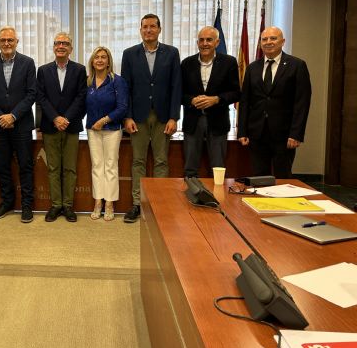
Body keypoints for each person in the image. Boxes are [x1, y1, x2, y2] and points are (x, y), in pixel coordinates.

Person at [121, 13, 181, 222]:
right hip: (137, 116)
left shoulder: (172, 53)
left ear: (159, 29)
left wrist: (174, 117)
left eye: (152, 26)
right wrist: (126, 117)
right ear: (140, 30)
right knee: (138, 160)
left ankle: (159, 204)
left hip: (163, 116)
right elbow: (125, 88)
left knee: (161, 160)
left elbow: (176, 87)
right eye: (145, 27)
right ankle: (137, 204)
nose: (148, 30)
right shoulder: (129, 54)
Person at [238, 26, 312, 178]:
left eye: (273, 38)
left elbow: (302, 103)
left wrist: (296, 134)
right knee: (259, 177)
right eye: (264, 39)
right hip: (257, 133)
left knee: (283, 177)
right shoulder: (252, 68)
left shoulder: (296, 66)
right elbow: (245, 101)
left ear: (282, 42)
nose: (268, 42)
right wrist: (242, 131)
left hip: (284, 135)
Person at [0, 26, 36, 223]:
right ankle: (6, 202)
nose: (6, 43)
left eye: (10, 40)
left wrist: (12, 116)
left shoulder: (28, 63)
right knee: (2, 166)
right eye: (3, 40)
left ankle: (27, 205)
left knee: (25, 166)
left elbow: (31, 94)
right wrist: (0, 117)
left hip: (21, 125)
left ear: (17, 42)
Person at [36, 32, 87, 223]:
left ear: (70, 48)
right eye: (58, 43)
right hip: (50, 126)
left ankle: (68, 205)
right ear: (54, 47)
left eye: (65, 43)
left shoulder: (80, 70)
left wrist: (66, 118)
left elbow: (81, 97)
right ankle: (56, 205)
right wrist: (56, 118)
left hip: (71, 126)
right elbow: (41, 97)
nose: (61, 46)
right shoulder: (43, 70)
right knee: (53, 168)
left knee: (70, 168)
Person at [181, 26, 240, 177]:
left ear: (217, 42)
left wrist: (217, 99)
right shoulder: (187, 64)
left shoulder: (229, 62)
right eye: (201, 40)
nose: (205, 43)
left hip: (218, 121)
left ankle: (218, 199)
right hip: (193, 121)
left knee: (218, 168)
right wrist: (192, 100)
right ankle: (191, 197)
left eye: (209, 40)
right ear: (197, 42)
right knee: (190, 168)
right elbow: (179, 94)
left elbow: (236, 93)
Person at [86, 46, 128, 221]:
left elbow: (122, 107)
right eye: (97, 57)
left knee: (110, 166)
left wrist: (103, 120)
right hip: (92, 130)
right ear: (92, 61)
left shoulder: (117, 81)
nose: (100, 60)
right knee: (97, 166)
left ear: (109, 61)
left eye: (104, 57)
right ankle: (98, 202)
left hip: (111, 129)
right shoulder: (88, 81)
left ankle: (109, 203)